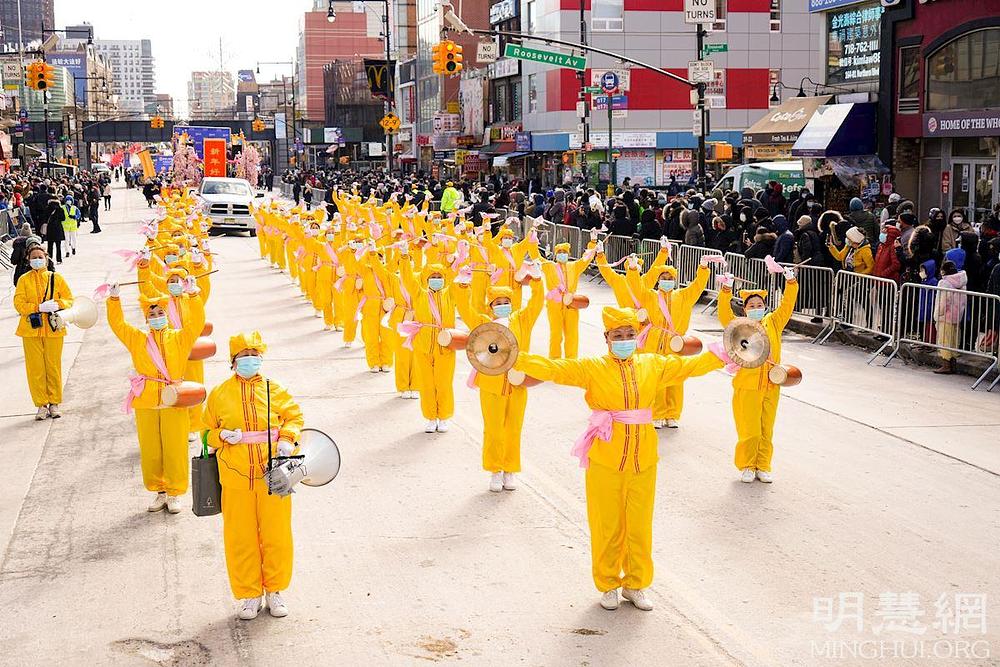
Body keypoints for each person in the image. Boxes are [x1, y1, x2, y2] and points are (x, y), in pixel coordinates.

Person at [512, 306, 726, 611]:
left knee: (639, 526)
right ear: (606, 338)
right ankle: (609, 584)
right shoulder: (592, 368)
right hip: (605, 459)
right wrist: (513, 356)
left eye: (629, 335)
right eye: (618, 335)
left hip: (644, 460)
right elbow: (554, 368)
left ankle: (636, 584)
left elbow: (690, 367)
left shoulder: (653, 364)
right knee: (607, 525)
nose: (624, 340)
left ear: (636, 336)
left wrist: (727, 352)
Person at [202, 332, 304, 620]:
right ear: (232, 361)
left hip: (275, 473)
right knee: (240, 537)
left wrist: (287, 437)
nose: (249, 359)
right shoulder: (220, 393)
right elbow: (205, 431)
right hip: (234, 477)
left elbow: (294, 418)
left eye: (253, 354)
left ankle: (275, 590)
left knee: (277, 534)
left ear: (261, 357)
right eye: (242, 355)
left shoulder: (276, 389)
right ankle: (249, 594)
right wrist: (221, 435)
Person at [107, 283, 205, 514]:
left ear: (167, 315)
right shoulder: (137, 339)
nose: (157, 317)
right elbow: (118, 325)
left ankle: (174, 493)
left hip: (174, 398)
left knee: (175, 446)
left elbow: (196, 322)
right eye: (152, 314)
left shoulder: (180, 338)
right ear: (146, 319)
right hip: (147, 399)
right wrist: (114, 300)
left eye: (160, 313)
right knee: (151, 448)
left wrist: (193, 295)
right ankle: (159, 491)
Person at [456, 280, 543, 492]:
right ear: (491, 306)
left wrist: (538, 282)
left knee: (514, 428)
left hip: (517, 382)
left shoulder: (522, 320)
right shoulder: (483, 322)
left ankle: (510, 469)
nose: (503, 305)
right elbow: (465, 309)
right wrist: (462, 287)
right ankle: (495, 470)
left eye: (506, 301)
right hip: (491, 383)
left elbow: (536, 303)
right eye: (498, 302)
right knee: (494, 429)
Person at [717, 267, 799, 483]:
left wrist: (791, 282)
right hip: (747, 385)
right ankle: (747, 465)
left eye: (759, 305)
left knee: (766, 429)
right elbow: (724, 314)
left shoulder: (773, 321)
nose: (756, 308)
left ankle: (763, 465)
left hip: (772, 384)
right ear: (744, 309)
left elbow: (787, 306)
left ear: (765, 307)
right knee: (749, 429)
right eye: (751, 306)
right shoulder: (738, 326)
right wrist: (726, 289)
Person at [13, 245, 74, 420]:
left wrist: (59, 304)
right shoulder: (24, 280)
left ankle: (54, 403)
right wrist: (37, 307)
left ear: (46, 258)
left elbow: (70, 299)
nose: (37, 260)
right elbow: (18, 304)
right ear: (28, 260)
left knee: (53, 367)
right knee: (36, 369)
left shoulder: (56, 278)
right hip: (31, 331)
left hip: (54, 329)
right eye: (34, 257)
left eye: (40, 256)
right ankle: (41, 404)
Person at [541, 238, 596, 358]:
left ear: (568, 254)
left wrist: (592, 241)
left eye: (564, 252)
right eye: (559, 252)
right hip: (554, 305)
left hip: (571, 304)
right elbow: (535, 255)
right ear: (555, 255)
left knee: (572, 335)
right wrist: (532, 233)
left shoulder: (574, 266)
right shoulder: (549, 266)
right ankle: (555, 361)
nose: (562, 254)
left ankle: (571, 362)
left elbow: (586, 259)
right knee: (556, 335)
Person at [932, 260, 967, 374]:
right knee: (954, 339)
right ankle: (953, 364)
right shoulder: (962, 281)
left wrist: (938, 314)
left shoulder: (945, 283)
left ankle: (946, 365)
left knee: (944, 340)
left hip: (945, 316)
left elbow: (943, 302)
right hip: (957, 316)